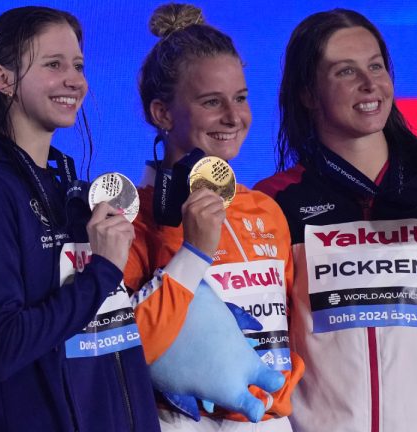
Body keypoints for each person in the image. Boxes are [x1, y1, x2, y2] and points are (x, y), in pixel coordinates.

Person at [254, 9, 417, 432]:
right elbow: (268, 348)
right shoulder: (275, 201)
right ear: (307, 93)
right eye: (345, 71)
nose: (370, 84)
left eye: (376, 66)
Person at [0, 7, 159, 431]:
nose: (75, 80)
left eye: (78, 65)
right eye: (54, 65)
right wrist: (102, 272)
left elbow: (107, 340)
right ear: (4, 79)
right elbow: (0, 346)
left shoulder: (72, 193)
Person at [123, 3, 304, 431]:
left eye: (240, 98)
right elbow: (130, 350)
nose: (233, 117)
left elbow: (291, 338)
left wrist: (277, 396)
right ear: (162, 114)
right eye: (211, 102)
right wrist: (193, 252)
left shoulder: (264, 210)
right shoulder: (130, 221)